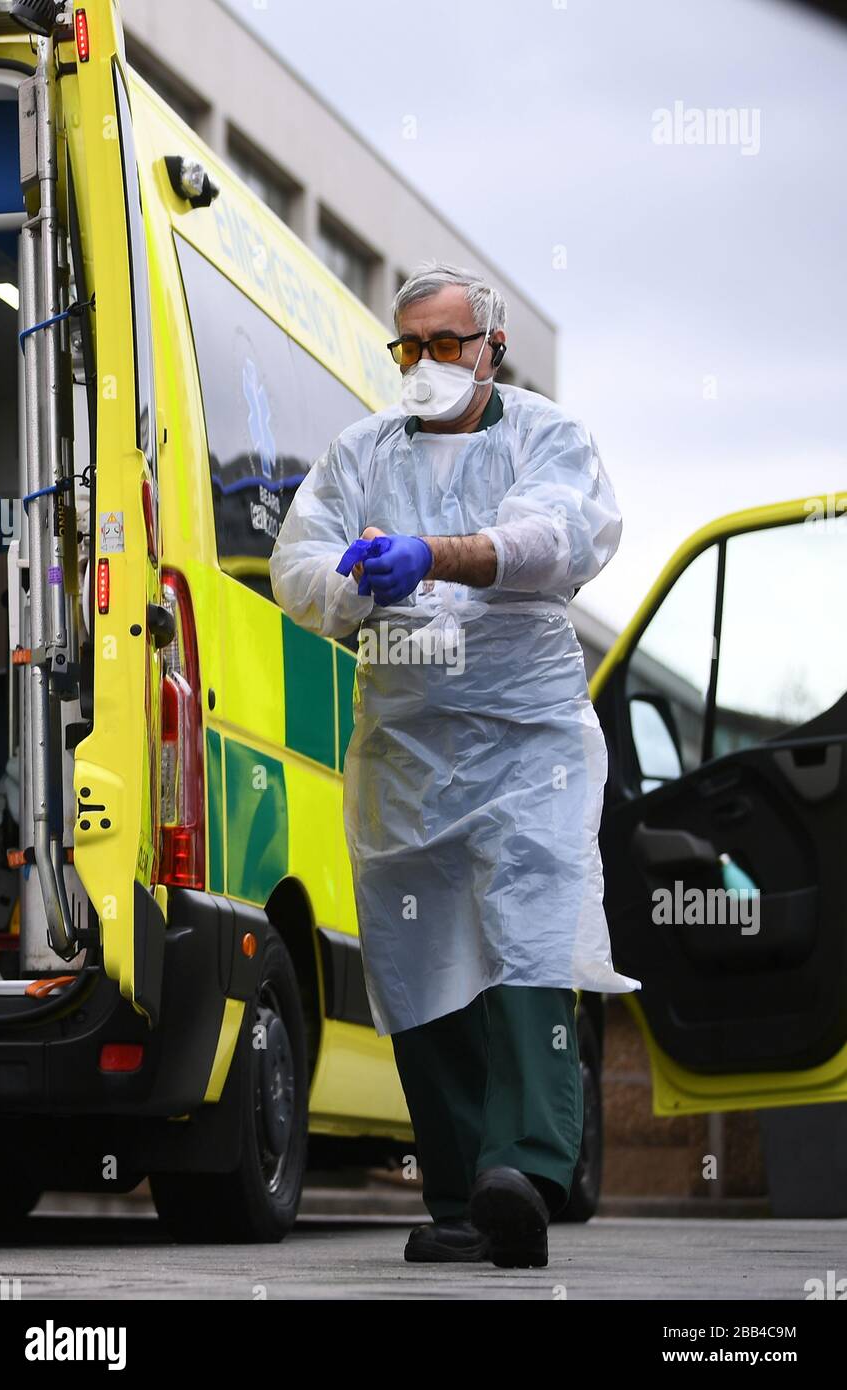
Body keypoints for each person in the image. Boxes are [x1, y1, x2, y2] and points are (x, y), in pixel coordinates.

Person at [269, 260, 641, 1268]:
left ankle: (521, 1167)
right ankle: (455, 1194)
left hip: (524, 744)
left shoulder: (542, 437)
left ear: (490, 346)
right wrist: (351, 584)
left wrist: (432, 555)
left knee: (528, 942)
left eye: (445, 344)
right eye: (410, 347)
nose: (426, 364)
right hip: (405, 752)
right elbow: (296, 562)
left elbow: (561, 534)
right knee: (420, 964)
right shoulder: (360, 453)